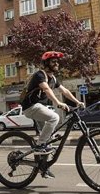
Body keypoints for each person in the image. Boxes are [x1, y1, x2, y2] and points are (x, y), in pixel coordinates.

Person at [20, 51, 84, 179]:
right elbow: (46, 89)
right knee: (55, 117)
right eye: (53, 61)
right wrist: (58, 102)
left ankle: (43, 167)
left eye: (57, 61)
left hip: (39, 107)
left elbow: (64, 91)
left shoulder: (54, 79)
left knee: (50, 137)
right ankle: (39, 145)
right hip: (30, 107)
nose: (56, 63)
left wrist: (77, 102)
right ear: (46, 64)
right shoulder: (40, 75)